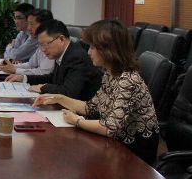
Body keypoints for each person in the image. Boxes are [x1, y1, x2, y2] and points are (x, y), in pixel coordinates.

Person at [33, 19, 159, 164]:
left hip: (134, 153)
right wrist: (59, 98)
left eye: (93, 48)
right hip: (114, 144)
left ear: (108, 50)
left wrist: (77, 121)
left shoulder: (127, 80)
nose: (88, 52)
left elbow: (110, 127)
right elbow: (90, 107)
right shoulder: (110, 74)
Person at [8, 19, 101, 100]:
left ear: (61, 39)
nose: (43, 50)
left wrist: (43, 88)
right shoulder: (63, 53)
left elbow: (69, 92)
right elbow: (53, 78)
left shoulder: (77, 56)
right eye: (40, 45)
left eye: (45, 44)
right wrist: (24, 78)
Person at [1, 9, 55, 79]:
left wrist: (15, 70)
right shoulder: (40, 42)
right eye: (28, 24)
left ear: (44, 25)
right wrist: (11, 66)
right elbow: (31, 64)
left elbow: (44, 72)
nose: (28, 28)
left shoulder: (52, 44)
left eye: (31, 24)